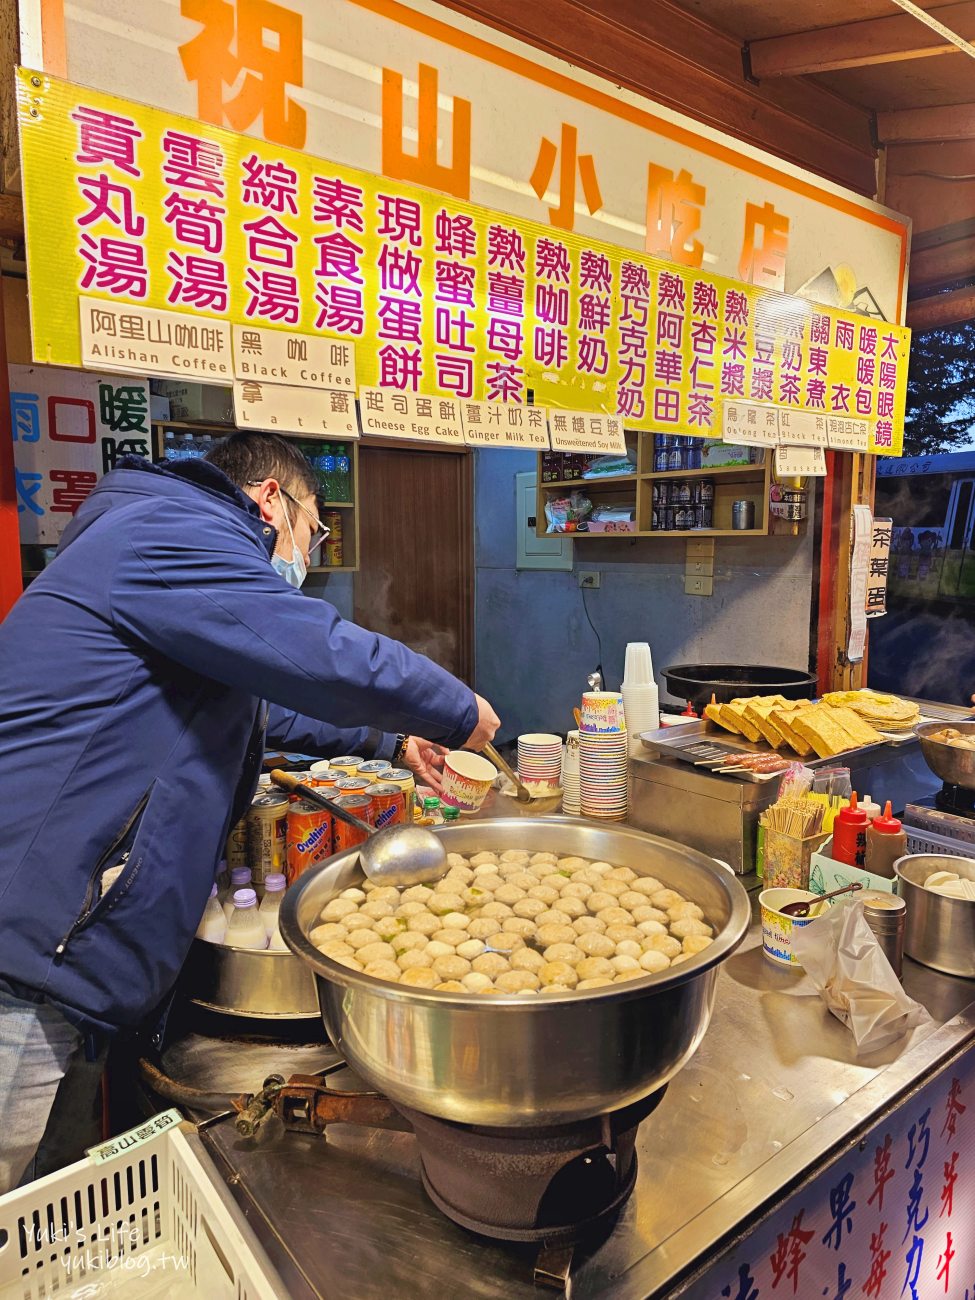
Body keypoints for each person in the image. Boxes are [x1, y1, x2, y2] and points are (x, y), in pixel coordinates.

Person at [0, 431, 499, 1191]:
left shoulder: (149, 539)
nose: (311, 555)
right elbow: (314, 650)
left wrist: (391, 742)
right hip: (29, 949)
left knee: (48, 1203)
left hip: (60, 948)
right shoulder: (167, 532)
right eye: (314, 532)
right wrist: (453, 708)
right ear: (272, 499)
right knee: (15, 1196)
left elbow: (255, 703)